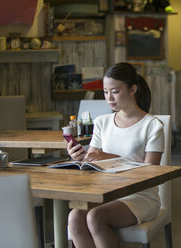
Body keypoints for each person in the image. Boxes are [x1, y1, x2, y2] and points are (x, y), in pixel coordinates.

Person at [67, 62, 165, 248]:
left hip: (141, 196)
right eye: (105, 92)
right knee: (75, 216)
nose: (109, 98)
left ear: (132, 89)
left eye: (115, 91)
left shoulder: (152, 125)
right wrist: (79, 157)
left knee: (96, 217)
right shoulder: (102, 122)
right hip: (107, 193)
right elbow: (94, 158)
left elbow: (151, 174)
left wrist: (110, 157)